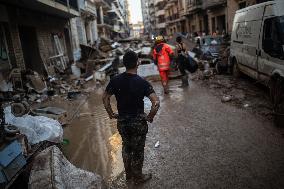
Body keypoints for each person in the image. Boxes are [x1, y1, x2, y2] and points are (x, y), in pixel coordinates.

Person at [102, 50, 160, 185]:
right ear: (138, 63)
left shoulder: (115, 80)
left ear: (124, 63)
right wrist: (150, 116)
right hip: (138, 122)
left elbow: (105, 97)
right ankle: (138, 178)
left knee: (126, 147)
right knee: (138, 150)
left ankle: (128, 176)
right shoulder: (142, 82)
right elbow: (156, 103)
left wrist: (110, 113)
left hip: (122, 122)